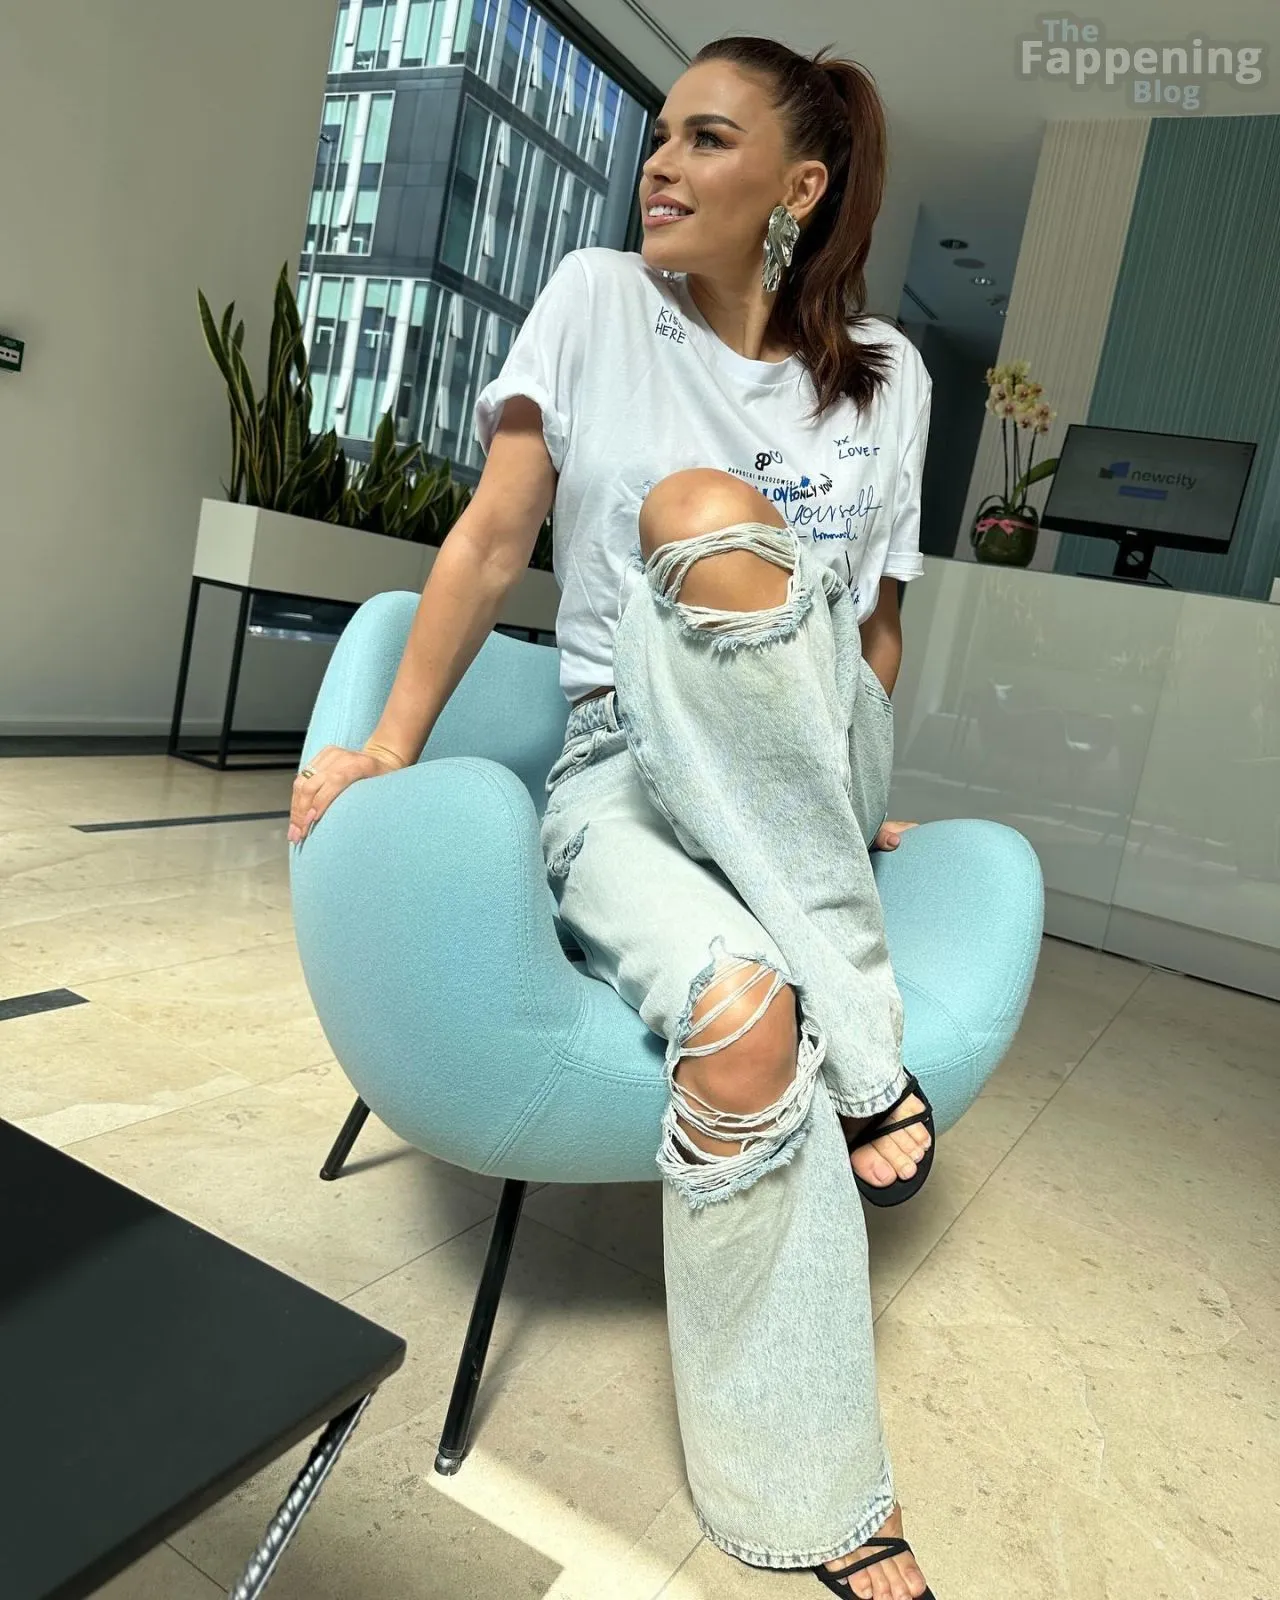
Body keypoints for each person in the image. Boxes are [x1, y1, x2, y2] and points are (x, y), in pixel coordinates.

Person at [289, 33, 936, 1600]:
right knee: (741, 1022)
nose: (659, 165)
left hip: (808, 746)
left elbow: (872, 636)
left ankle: (853, 1007)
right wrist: (386, 744)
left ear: (799, 187)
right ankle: (813, 1499)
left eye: (707, 140)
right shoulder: (591, 299)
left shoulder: (890, 377)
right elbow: (491, 535)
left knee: (711, 519)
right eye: (658, 135)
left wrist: (840, 803)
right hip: (620, 762)